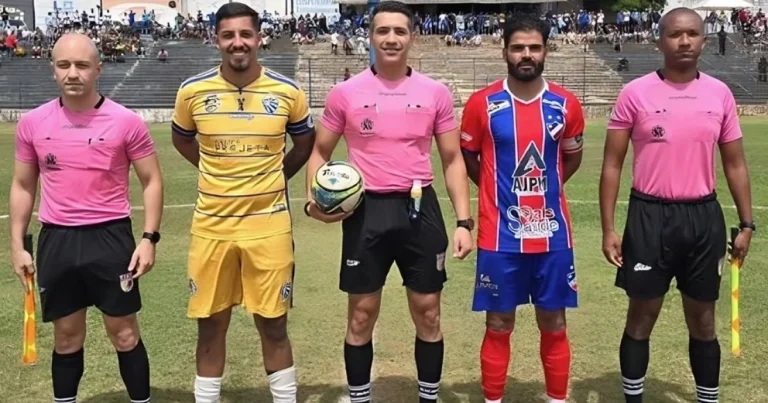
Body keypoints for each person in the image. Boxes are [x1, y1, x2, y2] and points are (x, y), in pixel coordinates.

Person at [305, 2, 473, 402]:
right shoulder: (345, 93)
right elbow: (319, 153)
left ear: (412, 36)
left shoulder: (435, 93)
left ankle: (428, 397)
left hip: (419, 209)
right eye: (383, 31)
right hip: (366, 212)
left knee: (428, 311)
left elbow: (452, 159)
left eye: (399, 31)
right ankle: (360, 398)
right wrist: (316, 203)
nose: (391, 38)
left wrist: (464, 222)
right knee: (361, 314)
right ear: (370, 36)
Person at [599, 8, 753, 403]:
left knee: (703, 319)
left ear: (704, 40)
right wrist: (609, 228)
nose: (684, 41)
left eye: (692, 34)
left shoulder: (719, 94)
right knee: (641, 315)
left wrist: (747, 224)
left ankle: (707, 398)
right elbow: (612, 164)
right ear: (659, 41)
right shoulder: (635, 93)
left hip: (703, 218)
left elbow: (735, 164)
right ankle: (633, 397)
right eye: (675, 34)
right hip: (649, 217)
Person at [171, 3, 315, 402]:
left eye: (246, 34)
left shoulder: (287, 91)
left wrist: (273, 177)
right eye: (229, 35)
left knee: (273, 325)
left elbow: (305, 144)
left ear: (259, 38)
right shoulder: (192, 90)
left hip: (269, 226)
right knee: (210, 325)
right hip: (211, 227)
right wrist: (214, 169)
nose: (238, 43)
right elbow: (182, 139)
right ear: (216, 40)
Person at [9, 33, 163, 403]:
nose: (72, 73)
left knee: (124, 332)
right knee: (66, 336)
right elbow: (23, 185)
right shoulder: (32, 123)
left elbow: (152, 180)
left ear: (98, 69)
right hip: (57, 240)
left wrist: (148, 238)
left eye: (81, 65)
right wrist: (16, 245)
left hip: (110, 239)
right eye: (63, 65)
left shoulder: (126, 122)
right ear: (53, 70)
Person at [461, 15, 585, 403]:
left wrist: (544, 191)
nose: (526, 54)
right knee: (498, 322)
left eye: (534, 47)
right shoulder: (482, 104)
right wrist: (498, 193)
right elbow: (469, 158)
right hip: (500, 236)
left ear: (546, 51)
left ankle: (556, 399)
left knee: (554, 321)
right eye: (518, 48)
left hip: (553, 235)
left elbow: (571, 159)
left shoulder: (566, 104)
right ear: (505, 52)